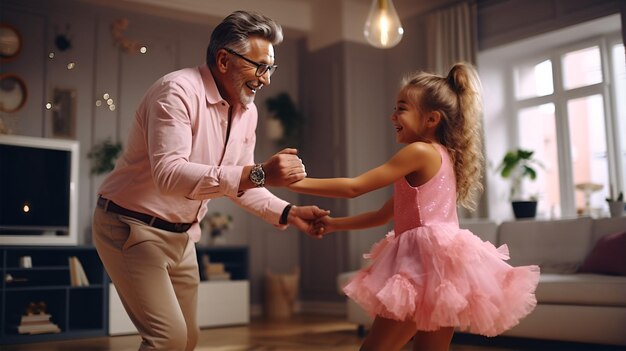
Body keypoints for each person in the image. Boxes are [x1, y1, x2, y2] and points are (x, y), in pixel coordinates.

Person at [92, 11, 329, 351]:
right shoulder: (175, 92)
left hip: (182, 235)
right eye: (260, 67)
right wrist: (259, 172)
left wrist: (290, 212)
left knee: (188, 340)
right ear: (223, 60)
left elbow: (240, 183)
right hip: (129, 225)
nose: (266, 80)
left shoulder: (248, 113)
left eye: (270, 68)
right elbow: (170, 175)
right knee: (168, 340)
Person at [289, 63, 540, 351]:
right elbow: (382, 216)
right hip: (445, 269)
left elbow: (354, 187)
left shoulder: (419, 152)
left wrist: (294, 183)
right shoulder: (441, 156)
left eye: (401, 109)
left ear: (431, 118)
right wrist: (335, 224)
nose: (392, 116)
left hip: (423, 263)